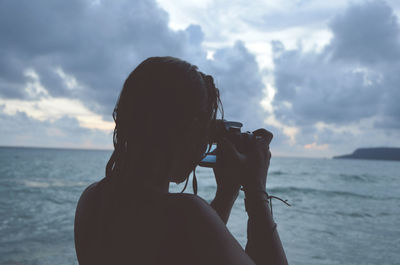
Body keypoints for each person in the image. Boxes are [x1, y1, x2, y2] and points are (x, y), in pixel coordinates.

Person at [74, 56, 288, 265]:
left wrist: (226, 193)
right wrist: (255, 191)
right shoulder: (187, 215)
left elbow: (185, 251)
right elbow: (189, 236)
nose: (205, 141)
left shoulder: (92, 200)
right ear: (186, 131)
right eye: (204, 127)